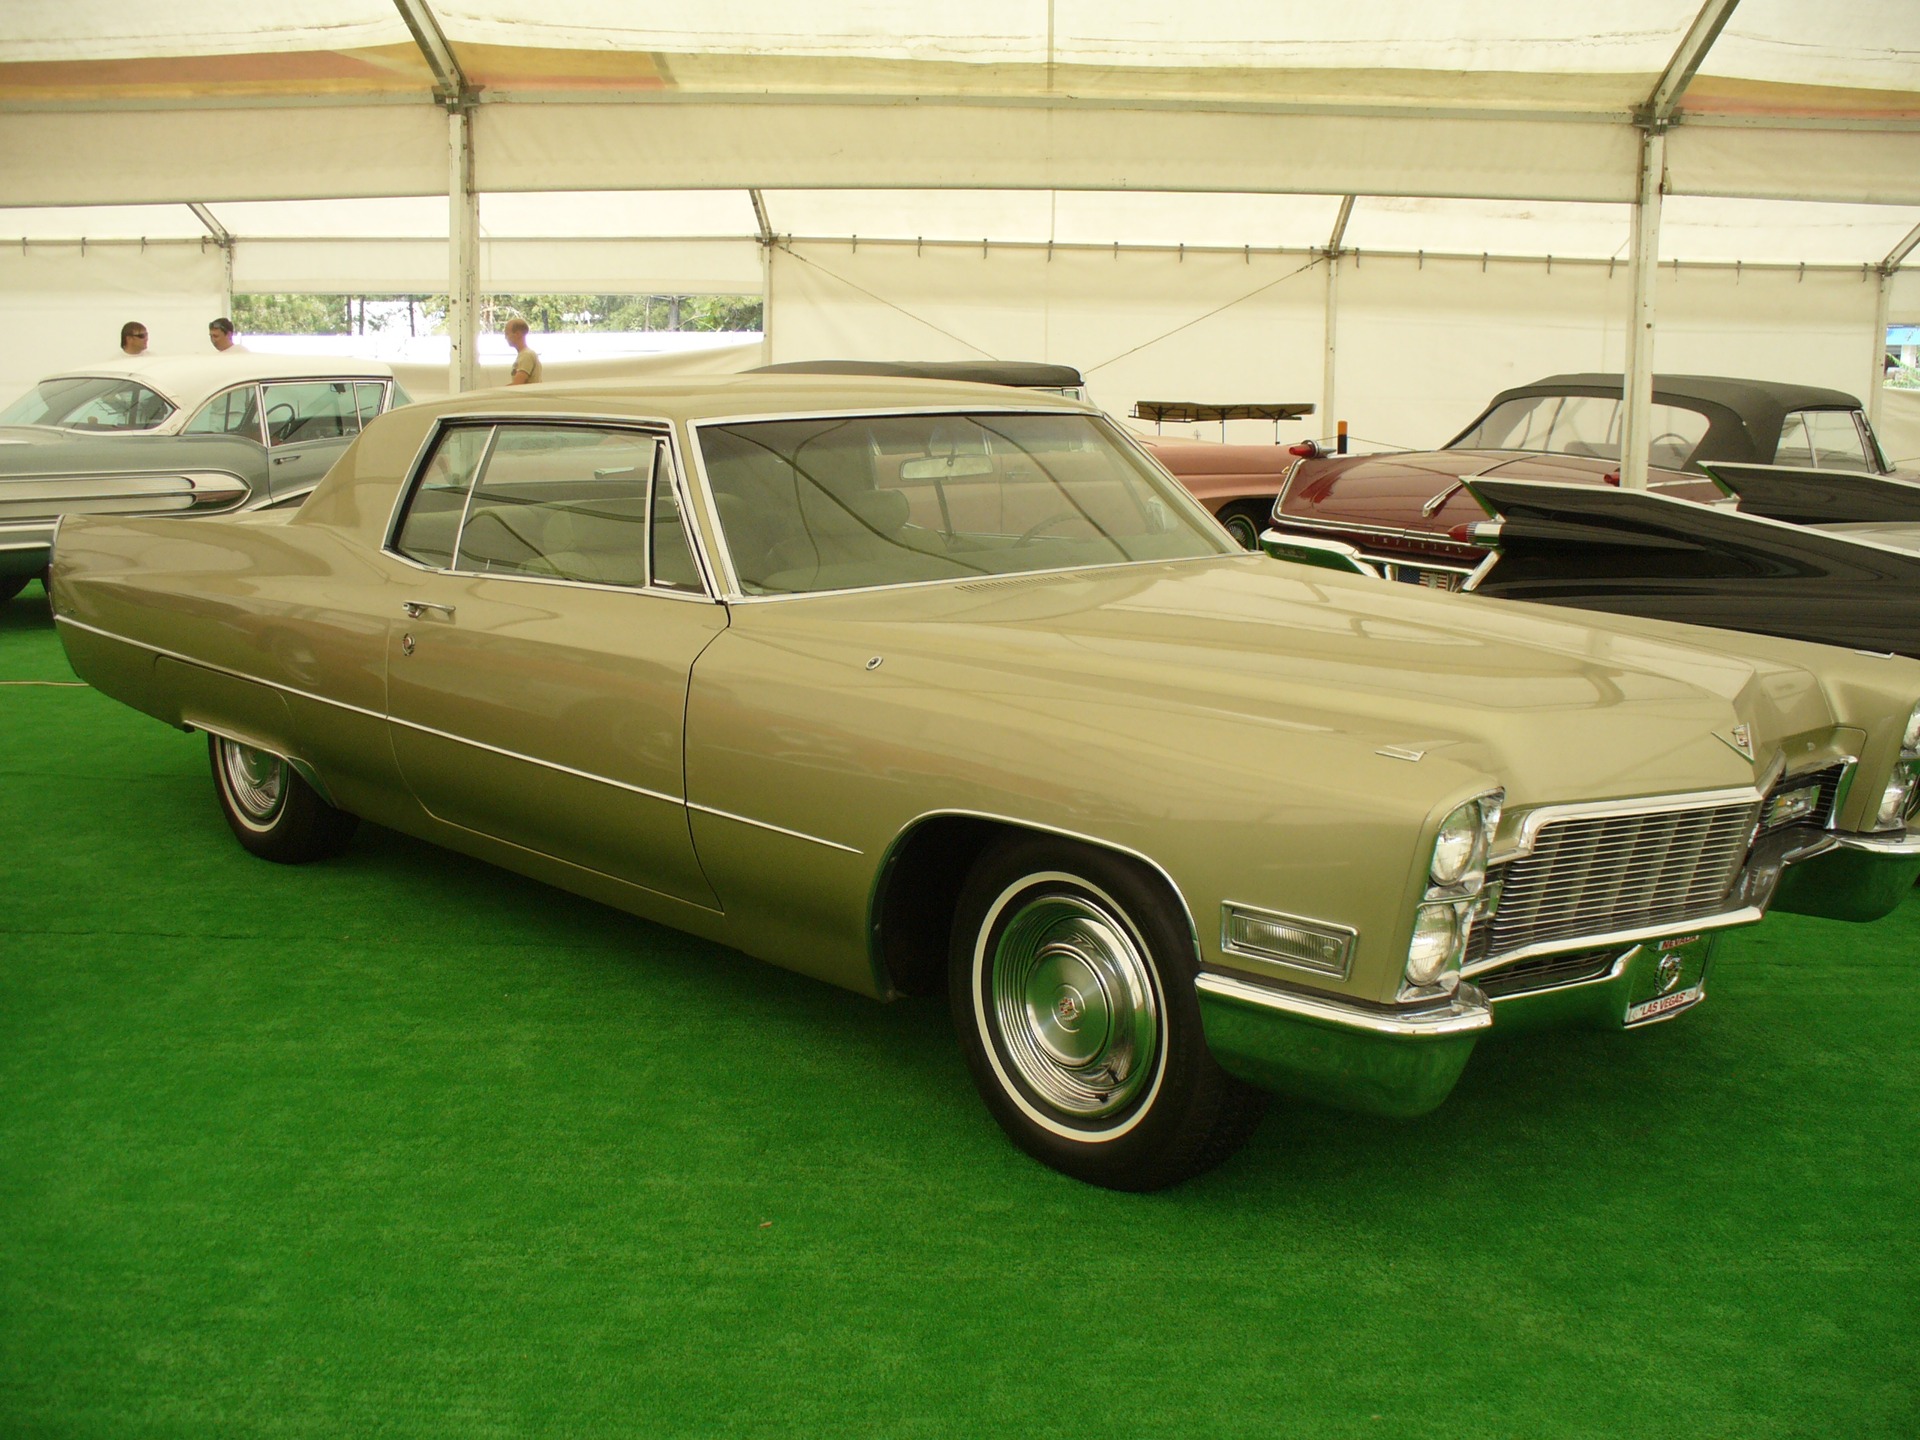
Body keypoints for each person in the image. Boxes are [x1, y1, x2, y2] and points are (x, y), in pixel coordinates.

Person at [505, 317, 543, 385]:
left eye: (507, 333)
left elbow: (517, 384)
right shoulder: (522, 355)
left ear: (518, 334)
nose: (505, 337)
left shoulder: (527, 355)